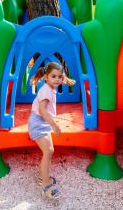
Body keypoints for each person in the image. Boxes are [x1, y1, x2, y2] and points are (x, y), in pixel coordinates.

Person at [28, 61, 75, 199]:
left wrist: (67, 80)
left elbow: (59, 78)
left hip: (42, 122)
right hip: (38, 122)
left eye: (60, 77)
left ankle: (43, 176)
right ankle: (45, 184)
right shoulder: (46, 91)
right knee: (48, 151)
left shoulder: (50, 86)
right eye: (54, 76)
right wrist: (54, 125)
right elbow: (42, 110)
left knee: (49, 151)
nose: (57, 79)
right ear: (46, 77)